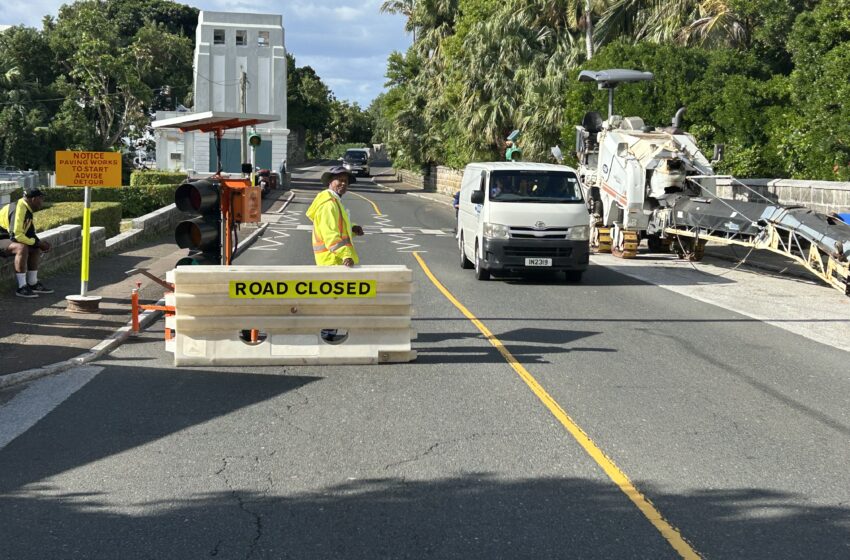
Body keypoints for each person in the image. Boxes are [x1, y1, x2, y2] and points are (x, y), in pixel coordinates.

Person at [306, 166, 365, 341]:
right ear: (330, 182)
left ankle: (328, 333)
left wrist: (352, 229)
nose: (343, 184)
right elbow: (330, 235)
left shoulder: (334, 202)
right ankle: (327, 335)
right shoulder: (328, 205)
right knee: (334, 300)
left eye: (346, 181)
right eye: (339, 180)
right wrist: (345, 254)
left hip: (332, 259)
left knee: (335, 299)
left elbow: (338, 228)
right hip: (332, 259)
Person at [0, 187, 53, 298]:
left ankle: (32, 283)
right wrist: (38, 243)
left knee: (34, 248)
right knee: (21, 247)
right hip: (2, 239)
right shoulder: (19, 209)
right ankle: (22, 287)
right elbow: (17, 236)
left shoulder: (26, 208)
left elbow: (29, 233)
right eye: (41, 198)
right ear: (33, 199)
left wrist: (39, 243)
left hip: (7, 239)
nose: (42, 201)